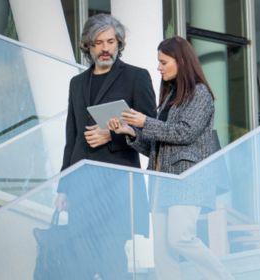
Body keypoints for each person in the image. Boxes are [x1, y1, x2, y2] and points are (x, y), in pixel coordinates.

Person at [108, 36, 235, 280]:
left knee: (181, 238)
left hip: (188, 179)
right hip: (161, 181)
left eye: (163, 62)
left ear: (181, 61)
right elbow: (158, 146)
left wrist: (146, 121)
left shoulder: (200, 94)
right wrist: (131, 133)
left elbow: (185, 133)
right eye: (158, 62)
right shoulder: (169, 97)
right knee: (162, 253)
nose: (159, 67)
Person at [55, 13, 157, 279]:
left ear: (118, 43)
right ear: (88, 46)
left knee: (112, 257)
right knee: (82, 259)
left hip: (117, 183)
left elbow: (150, 131)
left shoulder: (137, 77)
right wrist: (63, 187)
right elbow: (72, 136)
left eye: (111, 41)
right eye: (99, 42)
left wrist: (110, 136)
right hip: (81, 184)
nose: (105, 48)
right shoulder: (76, 83)